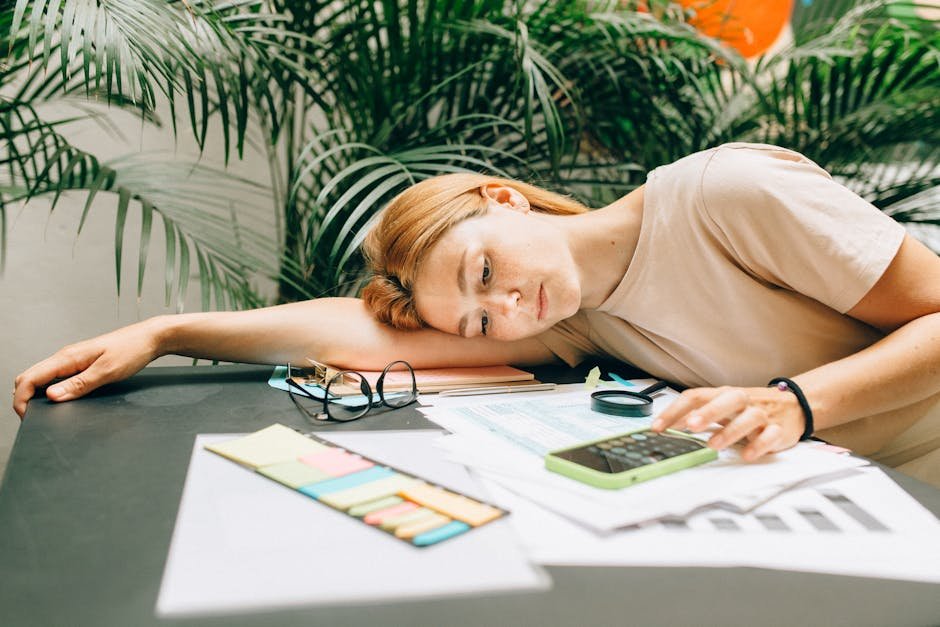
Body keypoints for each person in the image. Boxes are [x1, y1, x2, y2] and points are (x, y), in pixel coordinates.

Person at [13, 142, 940, 487]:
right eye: (481, 321)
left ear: (504, 197)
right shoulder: (582, 320)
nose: (505, 307)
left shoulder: (725, 195)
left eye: (485, 267)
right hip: (853, 499)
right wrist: (170, 331)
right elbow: (349, 327)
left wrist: (796, 403)